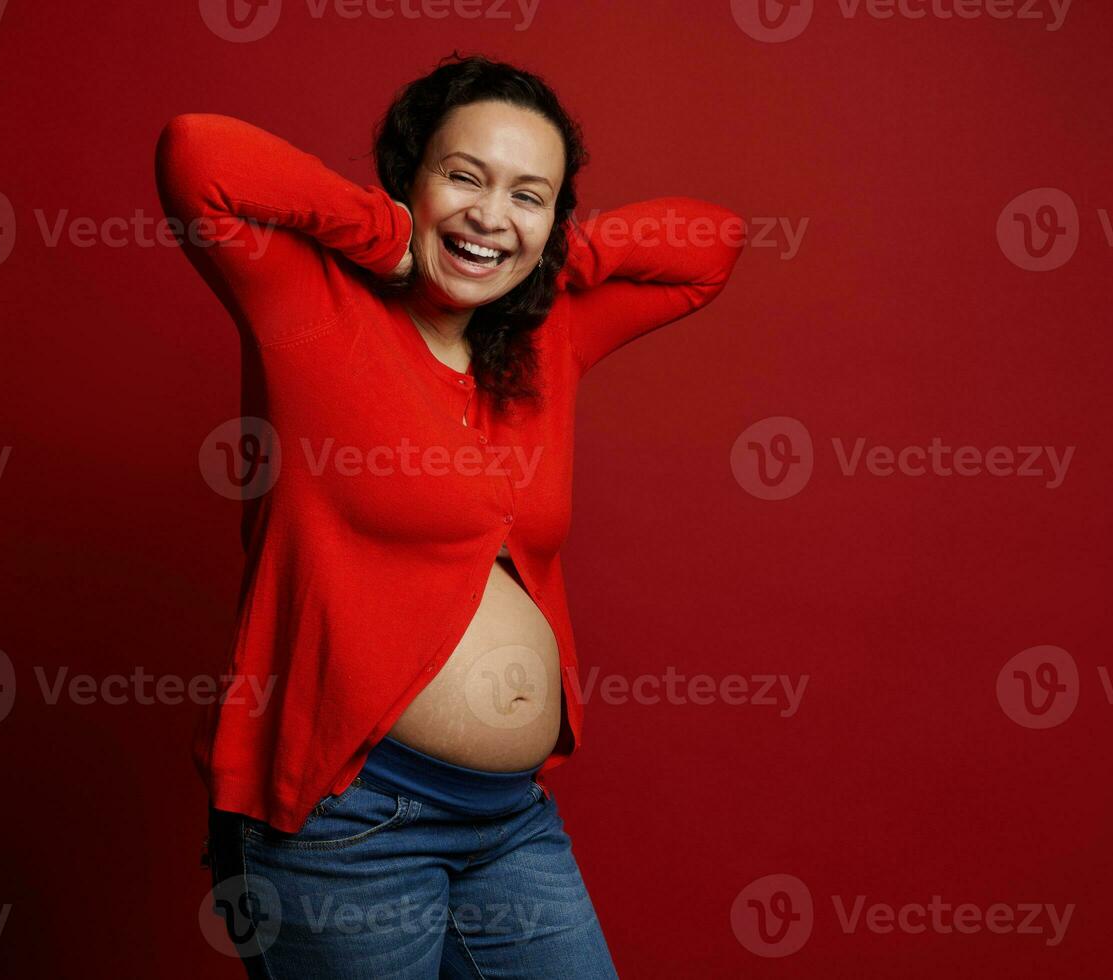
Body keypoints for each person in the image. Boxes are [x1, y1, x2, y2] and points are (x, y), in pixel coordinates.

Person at [154, 51, 744, 978]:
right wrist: (385, 239)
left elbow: (711, 247)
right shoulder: (306, 304)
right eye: (462, 177)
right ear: (407, 180)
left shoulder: (548, 337)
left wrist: (541, 252)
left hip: (508, 823)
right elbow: (199, 154)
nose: (487, 213)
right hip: (347, 823)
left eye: (527, 193)